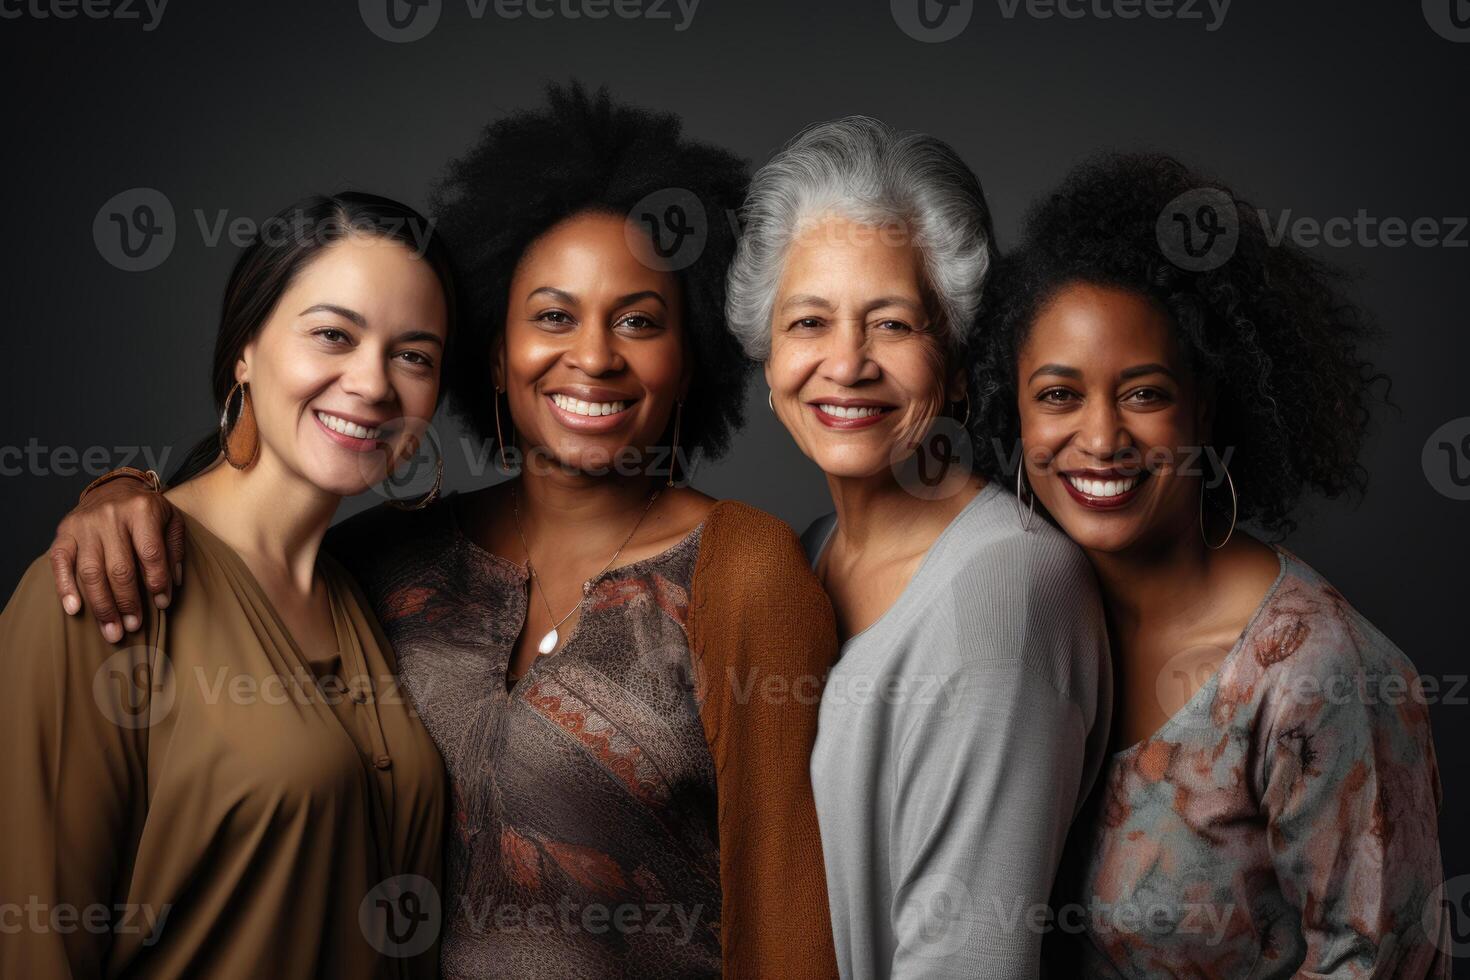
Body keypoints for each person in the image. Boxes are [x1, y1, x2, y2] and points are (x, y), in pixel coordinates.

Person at [42, 83, 840, 979]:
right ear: (494, 355)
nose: (595, 355)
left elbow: (791, 927)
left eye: (640, 322)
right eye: (552, 315)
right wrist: (127, 494)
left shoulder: (746, 572)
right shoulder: (380, 561)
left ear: (689, 359)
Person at [970, 151, 1449, 977]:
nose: (1100, 438)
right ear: (1011, 412)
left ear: (1206, 405)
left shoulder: (1316, 672)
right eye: (1057, 395)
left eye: (1144, 393)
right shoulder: (1031, 619)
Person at [0, 191, 455, 979]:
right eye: (332, 335)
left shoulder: (375, 591)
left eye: (412, 355)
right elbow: (36, 948)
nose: (374, 384)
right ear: (245, 349)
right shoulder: (99, 590)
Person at [725, 115, 1112, 979]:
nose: (847, 363)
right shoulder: (808, 556)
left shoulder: (1006, 591)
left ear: (961, 358)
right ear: (766, 353)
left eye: (893, 324)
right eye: (808, 322)